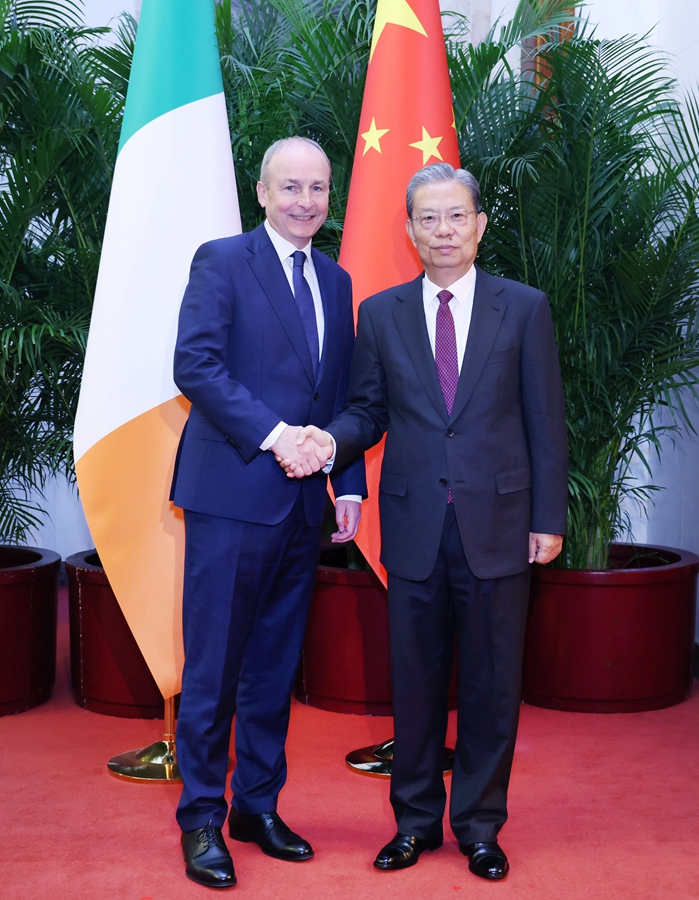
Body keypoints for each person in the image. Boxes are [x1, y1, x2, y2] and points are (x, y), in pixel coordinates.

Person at [282, 162, 568, 881]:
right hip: (412, 527)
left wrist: (547, 516)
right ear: (409, 230)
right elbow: (367, 410)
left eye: (456, 216)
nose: (443, 231)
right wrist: (328, 443)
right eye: (429, 219)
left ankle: (480, 827)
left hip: (500, 525)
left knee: (491, 686)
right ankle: (413, 824)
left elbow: (545, 421)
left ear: (479, 225)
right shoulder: (381, 314)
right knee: (413, 684)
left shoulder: (523, 307)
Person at [170, 136, 366, 889]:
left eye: (317, 188)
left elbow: (339, 391)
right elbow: (195, 365)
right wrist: (275, 435)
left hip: (302, 508)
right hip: (232, 497)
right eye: (290, 186)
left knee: (273, 667)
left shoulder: (336, 280)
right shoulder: (222, 261)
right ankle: (200, 818)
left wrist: (348, 484)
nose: (305, 201)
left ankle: (256, 805)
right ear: (261, 191)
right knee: (214, 668)